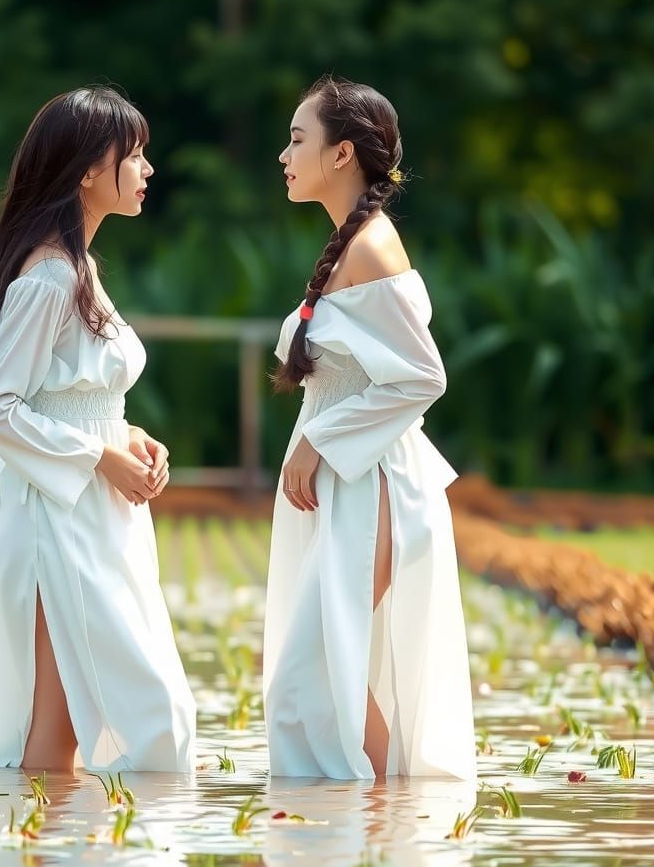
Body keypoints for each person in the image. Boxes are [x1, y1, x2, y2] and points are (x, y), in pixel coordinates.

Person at [0, 86, 196, 774]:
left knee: (100, 707)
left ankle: (54, 828)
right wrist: (99, 456)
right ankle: (42, 828)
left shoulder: (79, 269)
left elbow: (72, 393)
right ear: (90, 170)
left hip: (89, 507)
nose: (148, 169)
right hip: (52, 513)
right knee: (60, 723)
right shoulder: (49, 279)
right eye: (135, 155)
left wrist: (129, 438)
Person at [263, 75, 475, 781]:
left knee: (317, 672)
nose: (285, 155)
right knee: (326, 671)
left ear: (342, 153)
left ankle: (377, 819)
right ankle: (377, 823)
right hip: (345, 481)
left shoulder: (372, 248)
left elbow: (422, 376)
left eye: (297, 139)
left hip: (372, 481)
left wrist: (319, 440)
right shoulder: (349, 243)